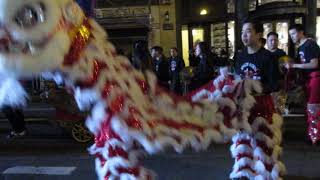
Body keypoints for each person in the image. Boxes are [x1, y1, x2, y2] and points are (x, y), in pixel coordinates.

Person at [232, 19, 284, 180]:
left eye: (248, 31)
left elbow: (275, 83)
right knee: (243, 141)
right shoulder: (240, 56)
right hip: (243, 107)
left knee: (264, 142)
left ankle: (266, 174)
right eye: (242, 32)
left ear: (259, 34)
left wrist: (256, 88)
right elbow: (236, 78)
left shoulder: (267, 57)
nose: (244, 35)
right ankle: (244, 171)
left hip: (262, 105)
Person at [285, 24, 320, 145]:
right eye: (290, 35)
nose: (292, 37)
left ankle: (315, 136)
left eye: (294, 34)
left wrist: (294, 65)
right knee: (310, 108)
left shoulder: (309, 44)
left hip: (315, 78)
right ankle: (313, 134)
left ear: (301, 32)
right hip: (309, 79)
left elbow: (314, 64)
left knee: (313, 107)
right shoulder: (300, 47)